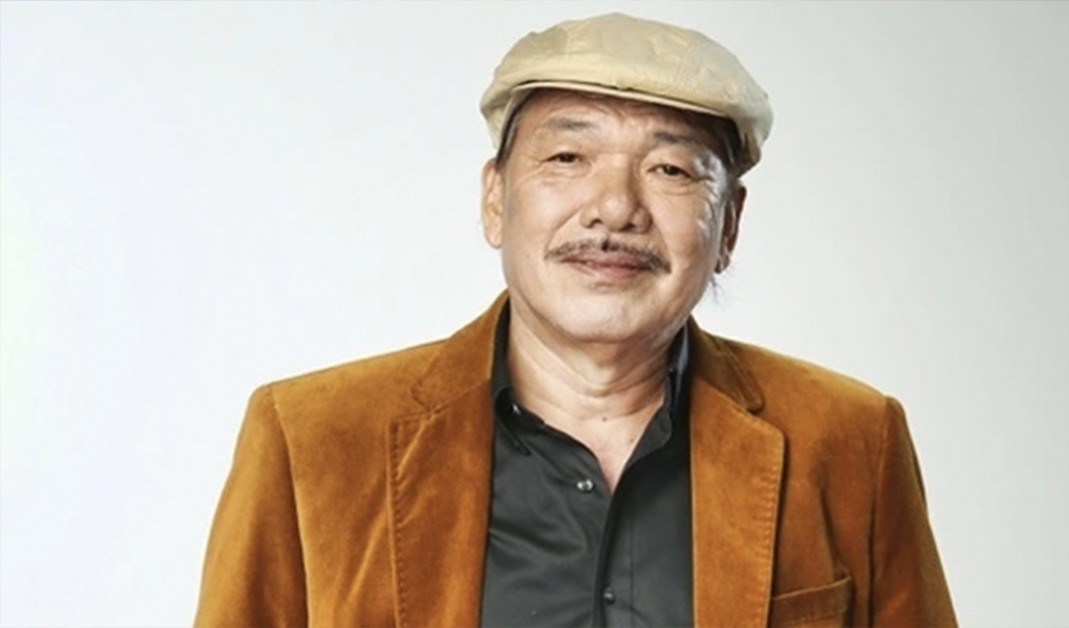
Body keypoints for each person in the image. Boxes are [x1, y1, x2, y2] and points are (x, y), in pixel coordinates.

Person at [195, 12, 956, 628]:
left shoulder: (851, 441)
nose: (615, 208)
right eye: (567, 158)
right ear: (496, 198)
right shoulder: (311, 443)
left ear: (728, 226)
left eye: (670, 169)